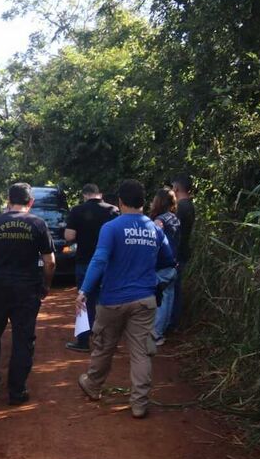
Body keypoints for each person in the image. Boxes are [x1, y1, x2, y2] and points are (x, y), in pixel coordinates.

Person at [76, 179, 175, 419]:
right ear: (143, 202)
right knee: (141, 352)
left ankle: (93, 385)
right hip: (145, 300)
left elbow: (100, 259)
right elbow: (168, 260)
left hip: (112, 299)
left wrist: (84, 290)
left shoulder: (111, 228)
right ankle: (139, 403)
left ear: (120, 202)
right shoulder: (154, 229)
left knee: (104, 346)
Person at [0, 183, 55, 405]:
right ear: (31, 202)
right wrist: (46, 285)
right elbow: (50, 262)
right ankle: (17, 391)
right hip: (27, 289)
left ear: (8, 201)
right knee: (23, 337)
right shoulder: (38, 224)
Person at [64, 184, 119, 352]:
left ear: (84, 195)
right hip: (108, 262)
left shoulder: (77, 210)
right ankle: (107, 341)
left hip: (85, 261)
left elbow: (69, 236)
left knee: (84, 301)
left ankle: (83, 341)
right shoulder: (113, 210)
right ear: (99, 194)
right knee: (107, 301)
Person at [148, 187, 180, 345]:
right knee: (168, 299)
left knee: (159, 301)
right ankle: (161, 332)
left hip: (161, 265)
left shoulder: (159, 221)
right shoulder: (174, 218)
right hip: (173, 264)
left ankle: (157, 334)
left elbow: (154, 243)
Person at [169, 174, 195, 332]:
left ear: (177, 188)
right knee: (176, 288)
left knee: (172, 289)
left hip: (177, 253)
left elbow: (174, 232)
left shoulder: (181, 207)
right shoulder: (189, 205)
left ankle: (172, 322)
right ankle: (174, 321)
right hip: (183, 251)